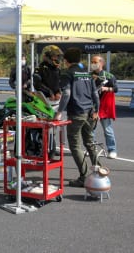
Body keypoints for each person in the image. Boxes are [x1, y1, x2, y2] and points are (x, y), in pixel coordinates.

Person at [54, 47, 100, 187]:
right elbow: (95, 94)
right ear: (79, 59)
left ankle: (84, 177)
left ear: (66, 61)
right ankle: (99, 170)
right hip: (90, 112)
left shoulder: (68, 73)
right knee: (90, 143)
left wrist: (59, 111)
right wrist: (96, 110)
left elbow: (66, 94)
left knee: (75, 146)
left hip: (77, 113)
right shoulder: (86, 72)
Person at [91, 55, 118, 159]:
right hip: (92, 106)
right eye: (92, 62)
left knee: (107, 129)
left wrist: (106, 88)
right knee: (91, 130)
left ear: (101, 63)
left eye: (95, 62)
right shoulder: (88, 75)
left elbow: (116, 88)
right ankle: (92, 149)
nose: (93, 64)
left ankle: (112, 150)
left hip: (104, 106)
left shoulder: (109, 75)